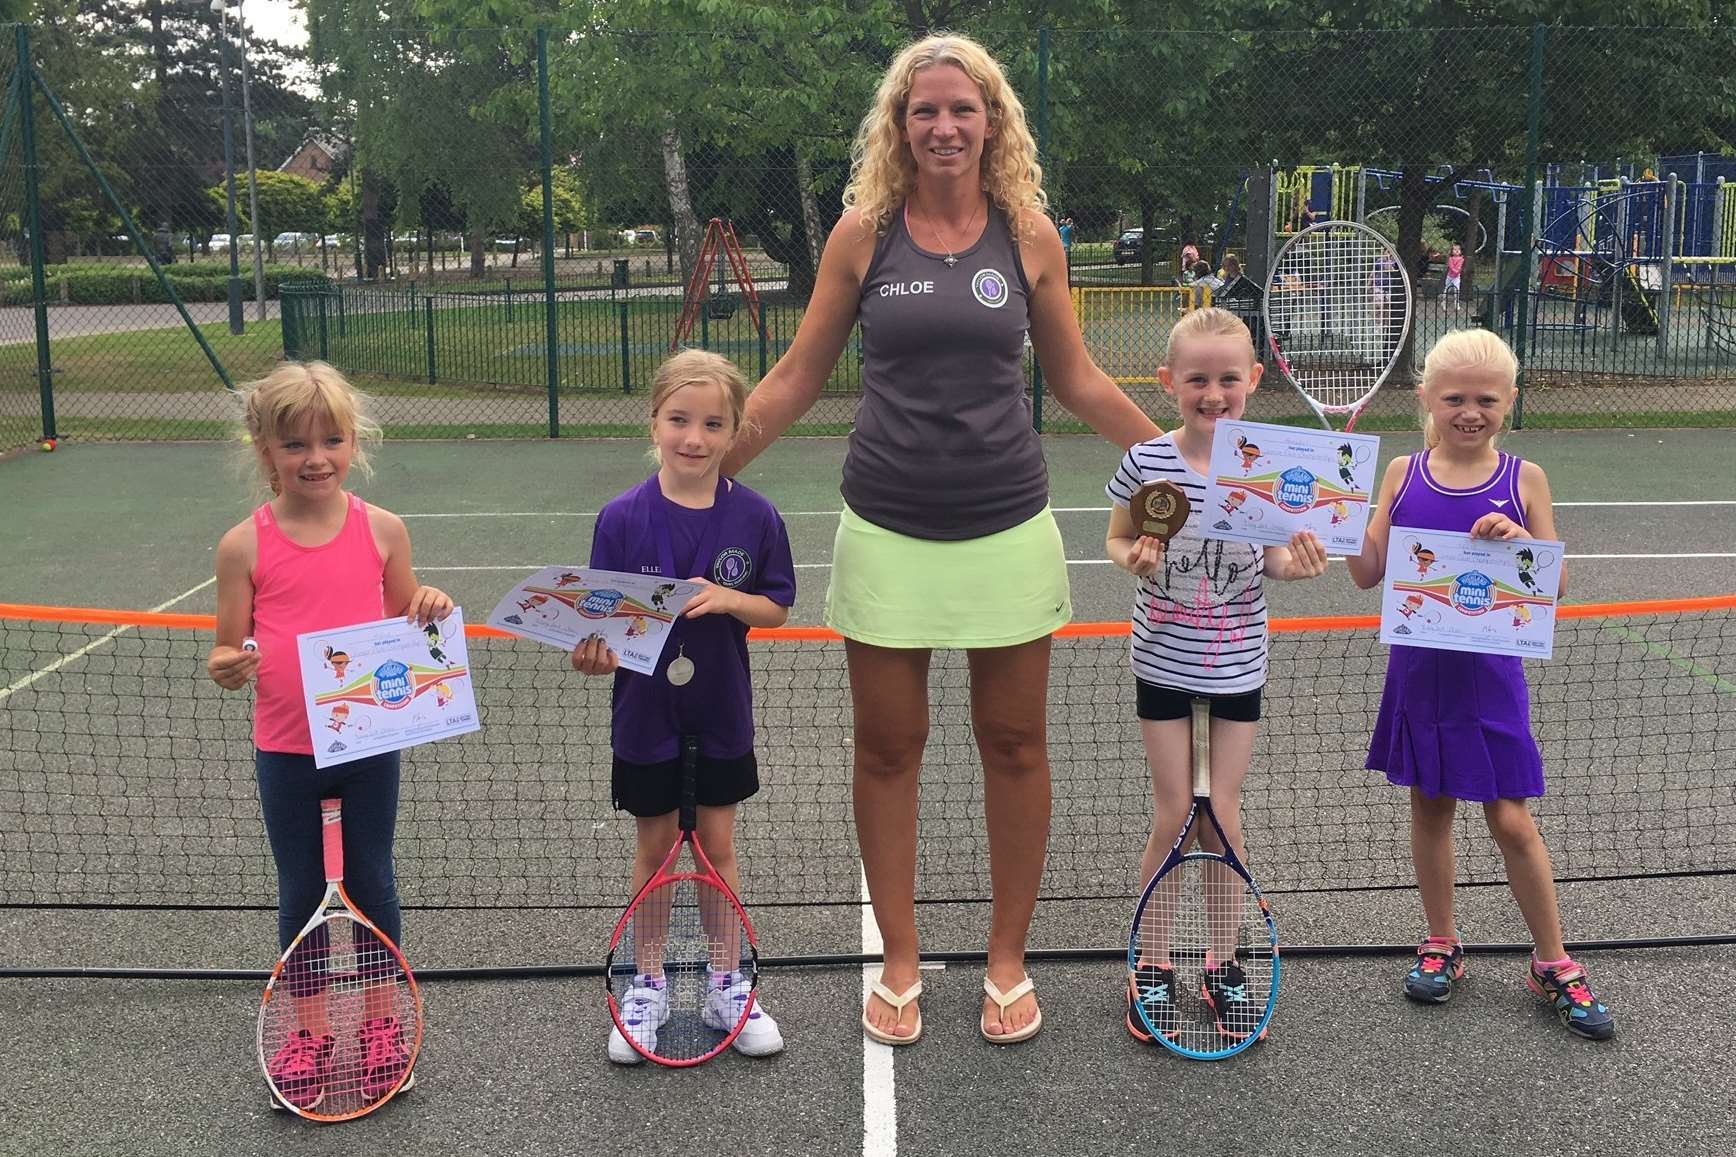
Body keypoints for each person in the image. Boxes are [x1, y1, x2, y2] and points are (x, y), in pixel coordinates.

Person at [721, 33, 1159, 1046]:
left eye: (962, 109)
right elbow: (792, 376)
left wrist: (1178, 458)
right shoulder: (862, 235)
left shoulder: (1031, 237)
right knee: (886, 749)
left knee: (1013, 745)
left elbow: (1079, 380)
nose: (944, 125)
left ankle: (1007, 961)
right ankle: (902, 959)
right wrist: (705, 471)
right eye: (924, 110)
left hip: (1007, 527)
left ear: (991, 121)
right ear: (899, 125)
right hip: (885, 528)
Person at [1344, 329, 1615, 1041]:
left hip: (1492, 679)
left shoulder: (1525, 479)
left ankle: (1552, 960)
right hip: (1420, 673)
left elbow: (1553, 579)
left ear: (1510, 401)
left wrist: (1521, 544)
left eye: (1486, 399)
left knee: (1511, 820)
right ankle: (1442, 942)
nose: (1470, 411)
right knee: (1430, 808)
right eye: (1455, 397)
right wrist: (1338, 519)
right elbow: (1368, 570)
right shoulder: (1402, 472)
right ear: (1427, 397)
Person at [206, 361, 454, 1109]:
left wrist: (432, 602)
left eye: (332, 440)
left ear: (355, 444)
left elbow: (412, 614)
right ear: (264, 450)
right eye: (294, 444)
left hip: (370, 742)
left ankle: (382, 1029)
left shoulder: (383, 529)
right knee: (301, 891)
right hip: (285, 745)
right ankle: (309, 1034)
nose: (315, 457)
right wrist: (227, 666)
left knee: (373, 881)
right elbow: (226, 646)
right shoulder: (241, 546)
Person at [1105, 307, 1328, 1045]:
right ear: (1169, 381)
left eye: (1228, 378)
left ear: (1253, 381)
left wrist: (1293, 565)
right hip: (1164, 658)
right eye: (1196, 378)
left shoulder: (1264, 469)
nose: (1213, 392)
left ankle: (1222, 961)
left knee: (1221, 816)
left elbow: (1269, 559)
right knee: (1175, 814)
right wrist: (1133, 555)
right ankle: (1153, 965)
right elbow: (1119, 536)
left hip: (1237, 665)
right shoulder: (1149, 460)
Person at [571, 349, 796, 1064]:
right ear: (655, 422)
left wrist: (731, 597)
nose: (693, 437)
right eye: (679, 420)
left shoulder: (756, 514)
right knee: (656, 851)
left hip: (722, 708)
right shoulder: (621, 516)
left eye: (711, 423)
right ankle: (647, 983)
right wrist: (591, 651)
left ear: (734, 431)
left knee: (719, 851)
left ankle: (729, 980)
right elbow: (600, 622)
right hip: (644, 715)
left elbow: (779, 606)